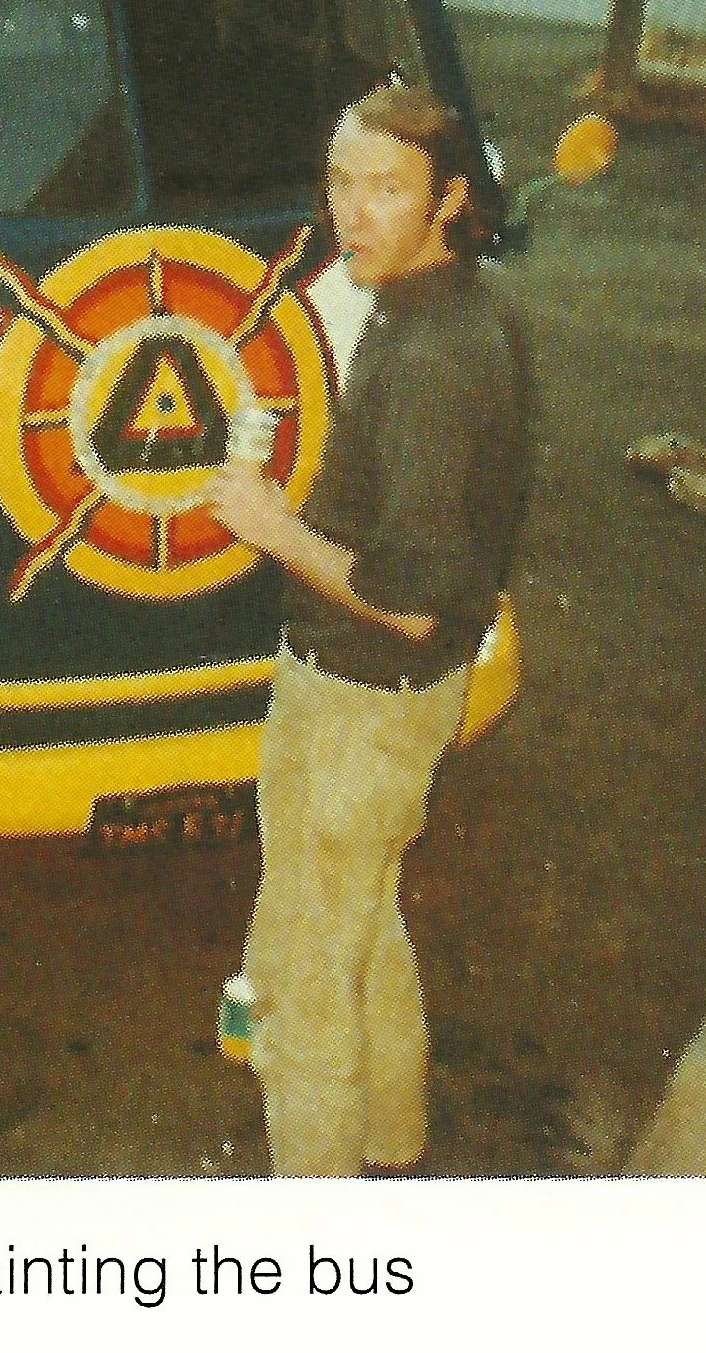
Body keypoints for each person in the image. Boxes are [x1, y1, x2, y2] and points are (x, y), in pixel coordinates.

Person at [204, 80, 535, 1176]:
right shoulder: (456, 309)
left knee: (304, 981)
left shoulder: (431, 358)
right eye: (340, 182)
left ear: (449, 200)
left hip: (361, 696)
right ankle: (394, 1143)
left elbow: (413, 597)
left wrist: (273, 527)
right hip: (394, 695)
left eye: (386, 189)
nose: (352, 211)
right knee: (362, 921)